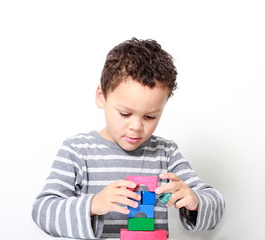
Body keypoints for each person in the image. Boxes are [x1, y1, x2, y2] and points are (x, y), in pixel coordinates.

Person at [32, 38, 225, 239]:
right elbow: (43, 210)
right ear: (101, 96)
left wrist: (195, 200)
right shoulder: (77, 150)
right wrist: (93, 204)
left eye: (150, 116)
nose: (136, 127)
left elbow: (216, 204)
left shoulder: (166, 153)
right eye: (125, 113)